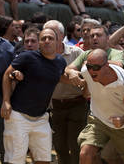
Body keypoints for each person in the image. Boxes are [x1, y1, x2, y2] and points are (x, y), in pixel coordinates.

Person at [1, 28, 67, 164]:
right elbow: (7, 75)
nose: (47, 41)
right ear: (40, 43)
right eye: (43, 39)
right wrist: (6, 101)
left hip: (42, 118)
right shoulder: (27, 57)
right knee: (15, 161)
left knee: (44, 160)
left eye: (50, 38)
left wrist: (76, 76)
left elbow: (61, 76)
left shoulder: (60, 62)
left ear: (58, 42)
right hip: (18, 116)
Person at [66, 48, 124, 164]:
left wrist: (123, 119)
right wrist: (71, 72)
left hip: (123, 125)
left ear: (107, 66)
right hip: (98, 120)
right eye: (89, 66)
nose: (91, 71)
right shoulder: (86, 71)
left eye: (96, 68)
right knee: (85, 153)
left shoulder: (123, 82)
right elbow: (85, 92)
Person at [43, 19, 88, 164]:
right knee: (60, 147)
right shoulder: (40, 55)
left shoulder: (76, 53)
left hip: (77, 104)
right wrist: (69, 76)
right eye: (46, 34)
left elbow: (86, 76)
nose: (49, 37)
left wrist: (76, 78)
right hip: (55, 106)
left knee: (76, 145)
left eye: (53, 34)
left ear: (61, 36)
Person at [0, 36, 14, 164]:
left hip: (0, 109)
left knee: (6, 150)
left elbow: (12, 78)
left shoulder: (6, 48)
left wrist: (6, 100)